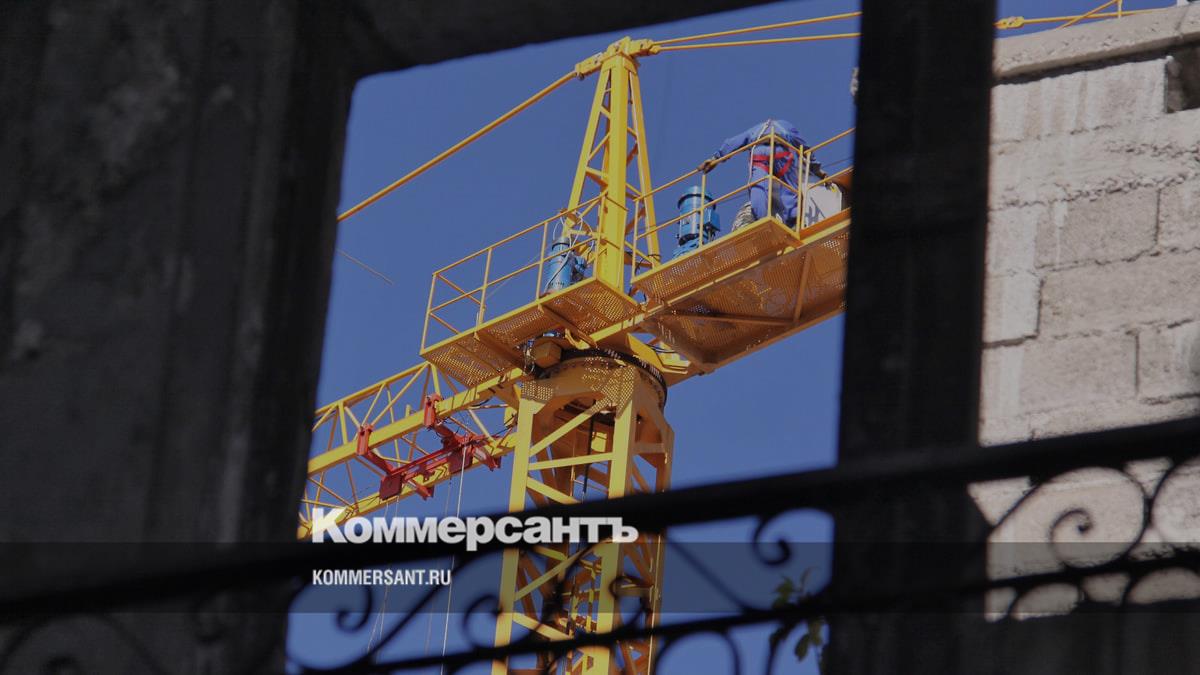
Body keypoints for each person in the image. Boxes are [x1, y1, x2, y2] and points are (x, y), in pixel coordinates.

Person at [698, 118, 823, 230]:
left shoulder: (756, 130)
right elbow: (805, 148)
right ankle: (793, 222)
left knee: (758, 188)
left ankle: (762, 221)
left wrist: (716, 158)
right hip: (782, 153)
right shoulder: (786, 127)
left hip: (760, 153)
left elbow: (734, 142)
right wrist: (816, 169)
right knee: (789, 188)